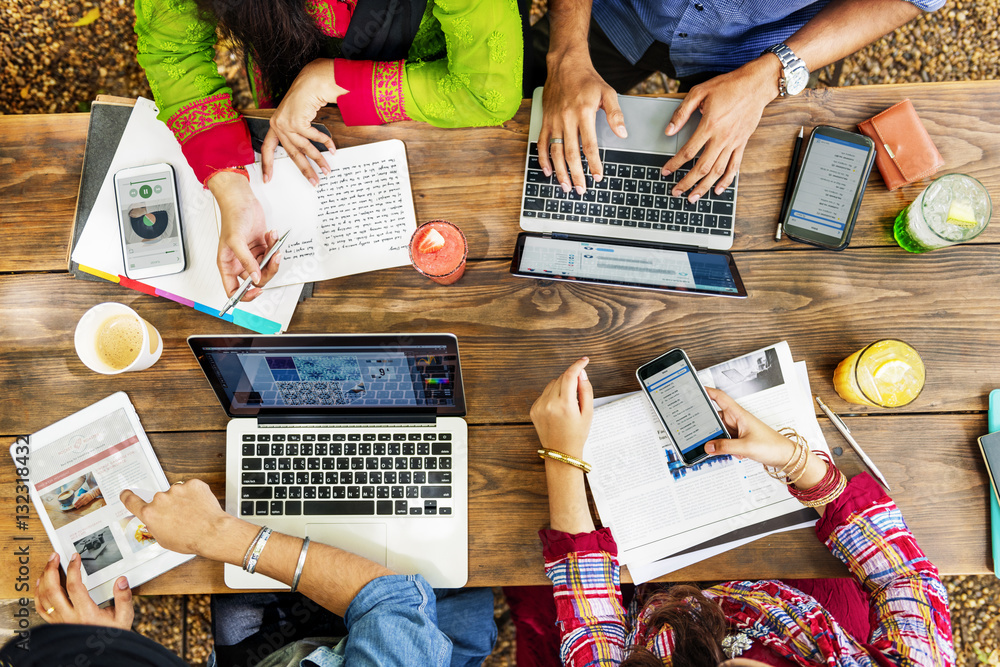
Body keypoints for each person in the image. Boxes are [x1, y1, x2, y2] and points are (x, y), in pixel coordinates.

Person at [526, 357, 955, 666]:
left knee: (532, 601)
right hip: (805, 606)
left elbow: (593, 626)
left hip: (659, 613)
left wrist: (561, 456)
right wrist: (793, 459)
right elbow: (904, 575)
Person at [133, 0, 524, 302]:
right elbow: (172, 54)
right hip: (284, 97)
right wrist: (229, 185)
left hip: (429, 96)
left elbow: (485, 91)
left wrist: (333, 78)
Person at [17, 480, 496, 667]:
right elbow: (392, 601)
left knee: (235, 589)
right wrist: (219, 534)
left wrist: (104, 643)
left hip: (278, 655)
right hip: (430, 637)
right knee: (460, 557)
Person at [534, 0, 943, 202]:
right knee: (528, 126)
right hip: (613, 13)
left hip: (751, 57)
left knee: (710, 195)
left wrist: (769, 77)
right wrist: (566, 51)